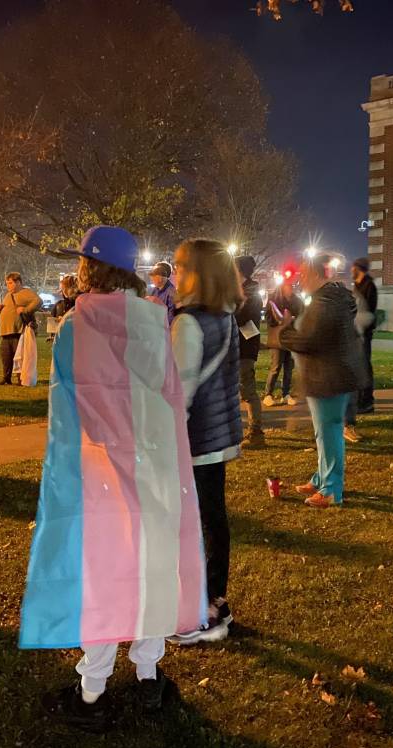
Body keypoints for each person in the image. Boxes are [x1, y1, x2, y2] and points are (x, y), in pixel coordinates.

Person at [19, 226, 206, 729]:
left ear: (87, 268)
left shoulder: (77, 327)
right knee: (150, 563)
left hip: (96, 468)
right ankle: (148, 677)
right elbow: (167, 397)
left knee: (101, 572)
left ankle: (93, 690)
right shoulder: (152, 320)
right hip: (152, 465)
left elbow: (71, 410)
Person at [169, 238, 243, 645]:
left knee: (196, 524)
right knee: (213, 517)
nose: (174, 274)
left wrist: (166, 446)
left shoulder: (190, 322)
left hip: (195, 439)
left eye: (180, 267)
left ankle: (206, 609)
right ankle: (216, 601)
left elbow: (179, 393)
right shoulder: (225, 315)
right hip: (218, 435)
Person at [276, 254, 366, 508]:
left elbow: (308, 339)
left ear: (316, 275)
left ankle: (331, 489)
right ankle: (321, 478)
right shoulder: (331, 299)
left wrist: (284, 331)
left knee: (329, 431)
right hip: (330, 374)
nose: (300, 279)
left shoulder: (325, 302)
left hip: (329, 376)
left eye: (304, 274)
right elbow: (314, 328)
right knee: (324, 431)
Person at [234, 255, 265, 448]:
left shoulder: (251, 292)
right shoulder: (240, 290)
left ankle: (256, 432)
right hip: (236, 346)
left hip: (245, 347)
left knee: (247, 390)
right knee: (237, 390)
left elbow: (245, 318)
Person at [0, 272, 42, 385]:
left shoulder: (26, 293)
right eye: (7, 284)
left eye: (10, 283)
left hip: (18, 331)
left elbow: (39, 301)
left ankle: (20, 378)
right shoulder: (8, 295)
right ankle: (6, 377)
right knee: (6, 356)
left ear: (18, 282)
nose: (8, 286)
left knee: (19, 356)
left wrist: (25, 310)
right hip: (6, 332)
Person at [263, 278, 303, 406]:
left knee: (288, 368)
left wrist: (292, 319)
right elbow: (270, 320)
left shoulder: (297, 301)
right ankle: (268, 394)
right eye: (287, 286)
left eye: (291, 286)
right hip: (278, 340)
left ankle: (285, 394)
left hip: (291, 338)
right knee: (276, 367)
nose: (290, 288)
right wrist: (283, 320)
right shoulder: (274, 300)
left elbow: (302, 316)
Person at [350, 258, 378, 413]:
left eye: (353, 268)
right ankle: (360, 399)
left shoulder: (369, 286)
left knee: (364, 367)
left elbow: (367, 311)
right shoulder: (358, 285)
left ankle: (367, 401)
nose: (351, 271)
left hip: (364, 333)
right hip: (356, 331)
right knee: (358, 367)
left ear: (359, 268)